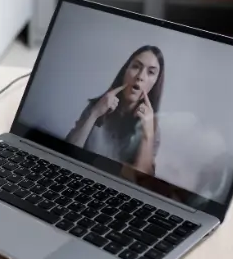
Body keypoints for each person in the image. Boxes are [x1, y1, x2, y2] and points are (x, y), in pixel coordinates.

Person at [66, 45, 165, 175]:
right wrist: (94, 114)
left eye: (150, 72)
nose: (140, 76)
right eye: (136, 67)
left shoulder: (153, 129)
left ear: (155, 83)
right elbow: (67, 154)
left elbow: (141, 182)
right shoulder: (96, 107)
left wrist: (147, 135)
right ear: (125, 71)